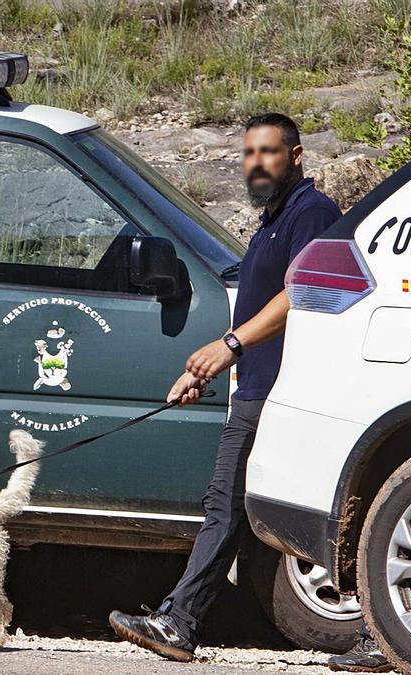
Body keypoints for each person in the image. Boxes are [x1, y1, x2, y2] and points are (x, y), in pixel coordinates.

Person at [109, 113, 388, 671]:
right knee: (231, 506)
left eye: (268, 152)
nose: (255, 163)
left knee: (298, 507)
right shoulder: (272, 220)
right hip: (259, 386)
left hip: (291, 390)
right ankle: (181, 621)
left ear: (297, 155)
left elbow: (302, 294)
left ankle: (385, 633)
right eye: (248, 153)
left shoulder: (312, 213)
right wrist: (207, 371)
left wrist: (228, 346)